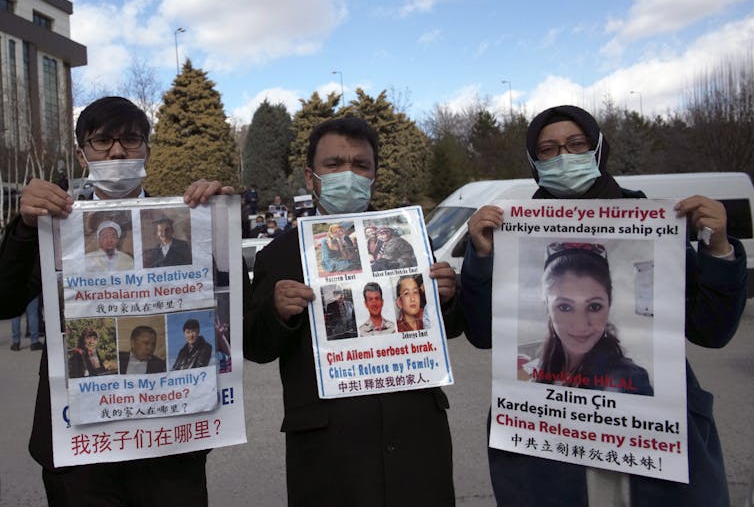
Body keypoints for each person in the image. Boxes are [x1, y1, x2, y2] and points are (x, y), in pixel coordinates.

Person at [460, 104, 746, 507]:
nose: (564, 156)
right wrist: (483, 258)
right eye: (548, 149)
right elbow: (482, 333)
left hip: (657, 451)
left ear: (598, 149)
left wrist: (718, 250)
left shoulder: (653, 222)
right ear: (533, 161)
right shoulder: (509, 230)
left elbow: (712, 331)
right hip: (544, 448)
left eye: (577, 144)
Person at [0, 96, 232, 506]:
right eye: (102, 142)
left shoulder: (187, 220)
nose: (117, 151)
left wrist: (220, 223)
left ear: (148, 150)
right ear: (81, 154)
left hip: (169, 444)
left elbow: (227, 304)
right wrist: (23, 227)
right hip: (80, 446)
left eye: (130, 139)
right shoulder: (56, 228)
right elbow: (4, 300)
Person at [244, 117, 465, 506]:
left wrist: (447, 296)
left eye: (360, 165)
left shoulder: (409, 239)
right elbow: (256, 347)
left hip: (416, 440)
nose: (349, 174)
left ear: (374, 176)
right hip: (329, 451)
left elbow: (448, 329)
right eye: (334, 164)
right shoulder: (278, 254)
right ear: (312, 178)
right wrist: (277, 312)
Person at [527, 241, 653, 396]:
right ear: (547, 307)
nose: (581, 326)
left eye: (594, 307)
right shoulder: (540, 367)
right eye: (565, 307)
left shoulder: (631, 379)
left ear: (609, 304)